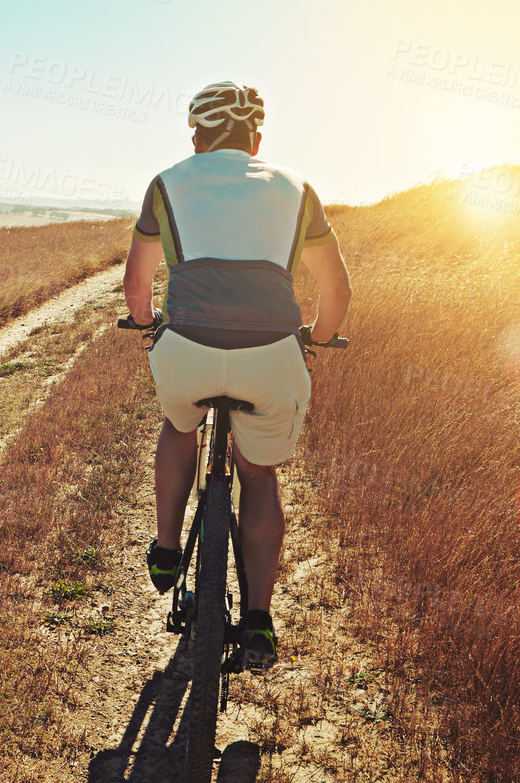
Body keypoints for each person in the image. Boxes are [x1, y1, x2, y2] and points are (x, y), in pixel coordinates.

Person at [123, 82, 352, 672]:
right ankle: (258, 620)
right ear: (256, 139)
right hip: (272, 355)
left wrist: (149, 324)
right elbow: (335, 289)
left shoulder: (166, 183)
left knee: (178, 426)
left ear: (196, 136)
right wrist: (319, 339)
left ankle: (169, 550)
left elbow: (138, 289)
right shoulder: (298, 189)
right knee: (259, 472)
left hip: (188, 350)